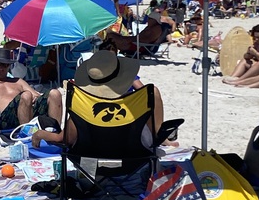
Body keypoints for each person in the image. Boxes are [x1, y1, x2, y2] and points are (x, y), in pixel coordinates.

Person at [29, 50, 165, 150]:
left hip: (93, 155)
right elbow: (154, 137)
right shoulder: (135, 104)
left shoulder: (84, 105)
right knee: (153, 92)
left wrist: (41, 134)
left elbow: (65, 139)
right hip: (136, 155)